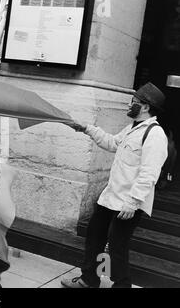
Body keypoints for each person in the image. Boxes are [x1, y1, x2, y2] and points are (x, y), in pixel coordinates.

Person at [61, 82, 168, 288]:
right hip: (111, 196)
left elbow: (149, 173)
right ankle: (88, 279)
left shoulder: (155, 134)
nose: (130, 105)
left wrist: (133, 201)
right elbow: (111, 143)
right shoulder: (132, 128)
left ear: (146, 107)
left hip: (128, 202)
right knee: (95, 236)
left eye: (134, 102)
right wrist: (87, 129)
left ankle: (121, 284)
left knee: (117, 245)